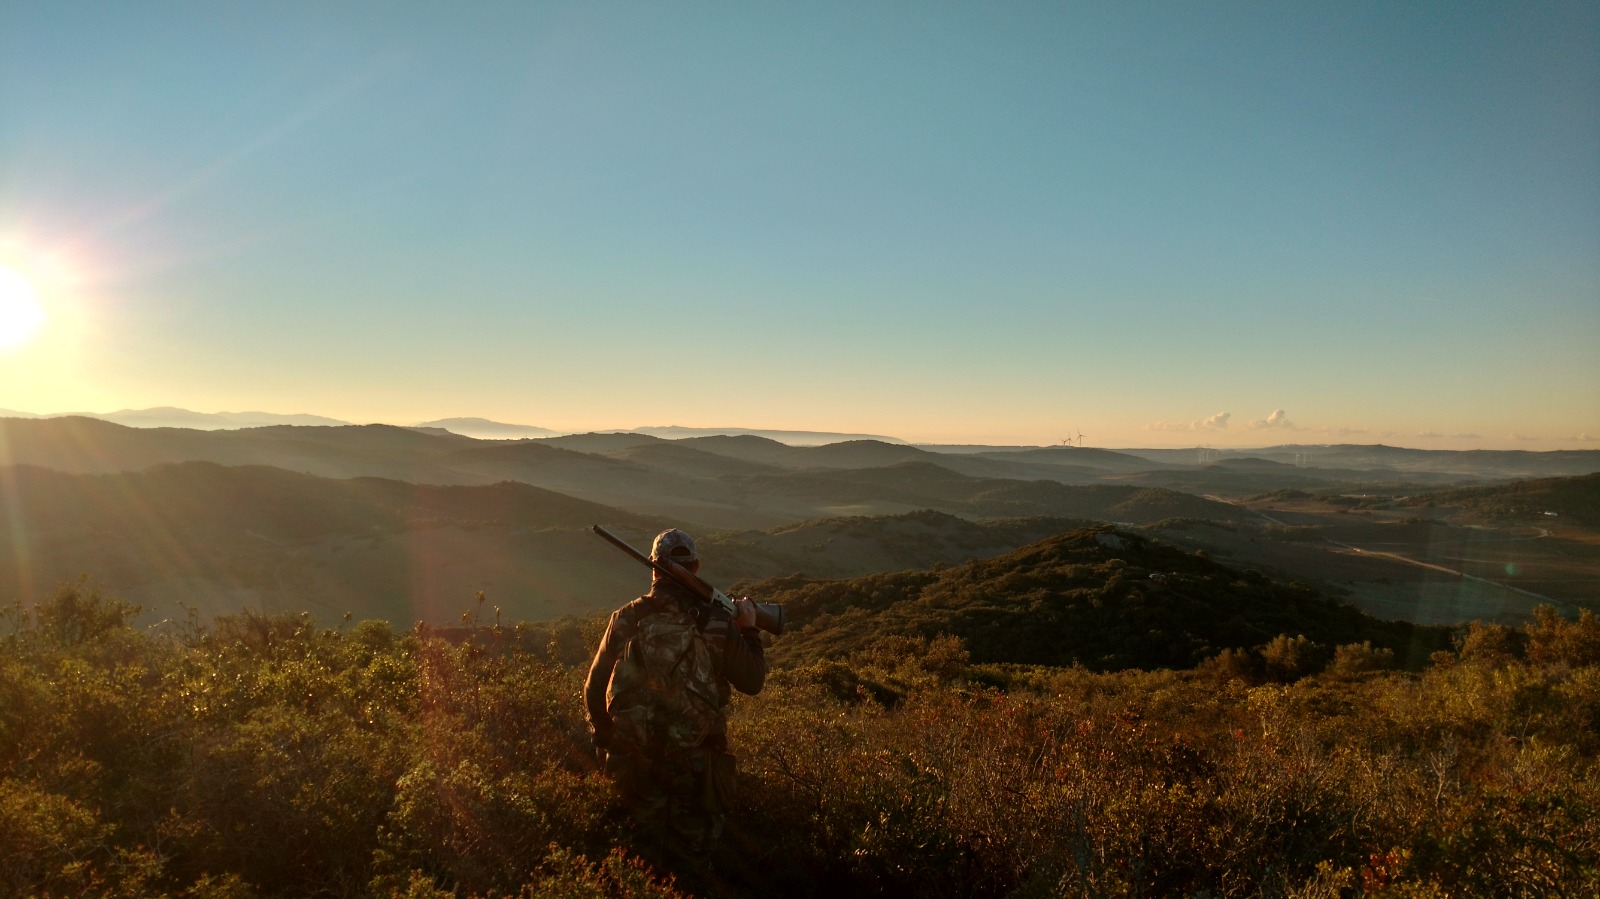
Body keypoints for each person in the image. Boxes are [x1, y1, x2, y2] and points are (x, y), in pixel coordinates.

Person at [584, 527, 766, 853]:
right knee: (695, 868)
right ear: (695, 567)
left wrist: (611, 743)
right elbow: (752, 682)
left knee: (635, 862)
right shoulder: (716, 622)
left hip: (634, 769)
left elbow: (594, 690)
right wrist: (749, 631)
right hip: (698, 773)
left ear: (653, 567)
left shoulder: (626, 617)